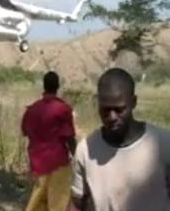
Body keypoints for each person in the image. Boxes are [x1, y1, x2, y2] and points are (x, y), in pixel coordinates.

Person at [66, 67, 170, 211]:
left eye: (119, 109)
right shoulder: (86, 150)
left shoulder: (163, 145)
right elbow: (77, 203)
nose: (112, 117)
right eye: (106, 110)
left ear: (133, 102)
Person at [22, 71, 77, 211]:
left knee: (38, 202)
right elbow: (69, 137)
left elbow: (25, 131)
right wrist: (77, 157)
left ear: (44, 86)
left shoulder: (32, 109)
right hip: (58, 162)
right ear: (57, 86)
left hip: (38, 163)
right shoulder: (63, 109)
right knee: (59, 204)